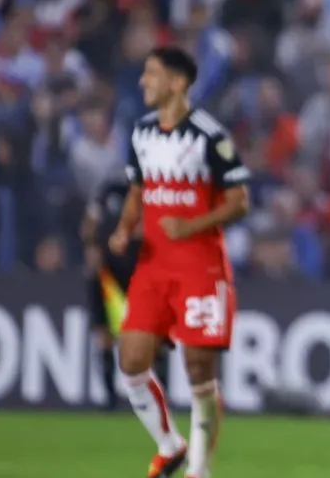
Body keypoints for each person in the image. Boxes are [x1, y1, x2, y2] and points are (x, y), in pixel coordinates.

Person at [110, 46, 251, 478]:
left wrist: (190, 227)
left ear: (177, 82)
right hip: (152, 266)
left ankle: (199, 469)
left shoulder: (210, 136)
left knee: (198, 369)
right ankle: (170, 444)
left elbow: (239, 202)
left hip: (200, 267)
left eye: (151, 74)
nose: (142, 82)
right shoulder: (141, 133)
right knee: (131, 360)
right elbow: (136, 190)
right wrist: (123, 229)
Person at [82, 175, 170, 410]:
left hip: (141, 266)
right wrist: (91, 246)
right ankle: (110, 399)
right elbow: (89, 223)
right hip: (108, 269)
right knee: (105, 334)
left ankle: (161, 397)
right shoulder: (110, 187)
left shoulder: (157, 188)